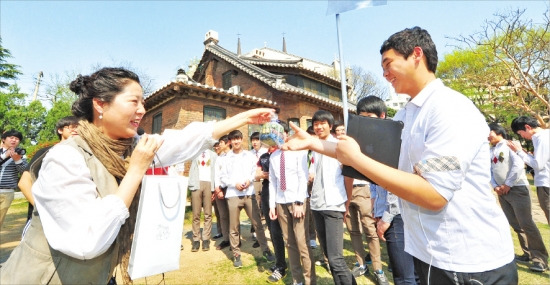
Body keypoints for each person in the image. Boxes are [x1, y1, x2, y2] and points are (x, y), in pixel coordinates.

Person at [284, 27, 517, 284]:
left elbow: (434, 194)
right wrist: (313, 144)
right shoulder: (407, 115)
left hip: (469, 262)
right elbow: (365, 157)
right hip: (430, 254)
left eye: (388, 64)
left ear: (417, 55)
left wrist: (357, 159)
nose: (384, 74)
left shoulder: (450, 108)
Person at [0, 67, 274, 284]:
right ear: (101, 104)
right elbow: (87, 242)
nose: (142, 110)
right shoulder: (66, 157)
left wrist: (244, 118)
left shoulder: (130, 149)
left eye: (143, 102)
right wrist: (136, 169)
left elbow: (185, 139)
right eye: (134, 101)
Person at [359, 96, 418, 285]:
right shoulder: (374, 142)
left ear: (383, 115)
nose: (366, 121)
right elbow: (376, 182)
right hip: (388, 213)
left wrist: (386, 217)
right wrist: (376, 207)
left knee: (405, 277)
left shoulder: (392, 140)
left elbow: (395, 183)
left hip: (400, 214)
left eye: (370, 116)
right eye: (362, 117)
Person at [488, 122, 548, 273]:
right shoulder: (491, 150)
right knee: (516, 224)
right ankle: (527, 253)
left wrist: (507, 184)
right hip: (502, 192)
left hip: (517, 188)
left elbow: (518, 165)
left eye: (489, 132)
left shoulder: (511, 145)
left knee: (526, 223)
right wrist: (495, 185)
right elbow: (490, 169)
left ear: (497, 131)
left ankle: (540, 259)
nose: (487, 136)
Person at [308, 110, 356, 285]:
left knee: (336, 259)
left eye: (322, 123)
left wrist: (347, 202)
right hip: (317, 205)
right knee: (329, 256)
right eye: (316, 124)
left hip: (334, 204)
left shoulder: (338, 145)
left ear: (330, 125)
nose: (319, 127)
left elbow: (348, 177)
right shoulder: (315, 147)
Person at [268, 121, 316, 285]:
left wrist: (298, 202)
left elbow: (303, 177)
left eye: (279, 133)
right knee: (289, 243)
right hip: (281, 202)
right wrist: (272, 205)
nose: (277, 137)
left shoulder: (298, 152)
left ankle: (310, 280)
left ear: (286, 133)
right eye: (273, 134)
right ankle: (297, 280)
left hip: (297, 201)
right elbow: (273, 182)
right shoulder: (273, 156)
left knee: (302, 243)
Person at [220, 129, 275, 268]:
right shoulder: (226, 158)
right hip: (233, 195)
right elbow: (223, 178)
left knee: (257, 223)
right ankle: (236, 254)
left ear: (242, 139)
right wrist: (234, 184)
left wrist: (249, 180)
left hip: (249, 193)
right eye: (233, 139)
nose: (236, 141)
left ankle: (265, 250)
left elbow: (254, 172)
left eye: (238, 138)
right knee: (234, 226)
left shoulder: (249, 156)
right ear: (230, 141)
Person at [18, 116, 79, 234]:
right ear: (60, 130)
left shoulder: (84, 155)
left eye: (79, 127)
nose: (76, 130)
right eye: (72, 127)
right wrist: (41, 208)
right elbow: (24, 183)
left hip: (70, 221)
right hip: (40, 219)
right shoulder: (45, 153)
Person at [508, 116, 549, 227]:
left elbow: (538, 165)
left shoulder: (541, 138)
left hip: (546, 184)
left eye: (521, 133)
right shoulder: (544, 136)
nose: (523, 137)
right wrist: (526, 154)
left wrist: (519, 151)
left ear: (527, 127)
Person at [257, 144, 288, 283]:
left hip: (281, 194)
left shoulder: (284, 153)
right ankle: (280, 262)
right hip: (267, 193)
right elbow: (257, 174)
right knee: (273, 230)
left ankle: (284, 265)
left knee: (281, 232)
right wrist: (264, 175)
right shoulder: (263, 157)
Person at [188, 148, 217, 251]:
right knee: (196, 214)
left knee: (208, 213)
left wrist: (214, 188)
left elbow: (216, 171)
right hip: (196, 183)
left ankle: (206, 239)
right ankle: (196, 239)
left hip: (209, 184)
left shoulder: (213, 155)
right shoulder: (195, 152)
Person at [0, 129, 28, 229]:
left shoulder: (21, 154)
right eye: (11, 138)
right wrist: (5, 156)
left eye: (17, 139)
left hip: (7, 192)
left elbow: (24, 172)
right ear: (3, 139)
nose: (14, 140)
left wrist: (17, 160)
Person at [214, 135, 232, 250]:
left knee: (233, 215)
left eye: (221, 142)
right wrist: (217, 188)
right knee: (223, 215)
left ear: (227, 143)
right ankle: (226, 239)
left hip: (231, 188)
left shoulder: (233, 156)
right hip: (220, 189)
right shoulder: (219, 158)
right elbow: (216, 174)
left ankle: (235, 239)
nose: (219, 145)